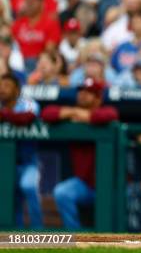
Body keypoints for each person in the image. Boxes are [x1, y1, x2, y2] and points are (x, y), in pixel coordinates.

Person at [42, 78, 118, 229]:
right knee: (62, 192)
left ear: (98, 98)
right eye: (81, 91)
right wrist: (73, 111)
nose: (82, 95)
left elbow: (108, 115)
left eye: (88, 92)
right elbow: (46, 114)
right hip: (84, 184)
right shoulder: (71, 114)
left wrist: (84, 116)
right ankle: (76, 237)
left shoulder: (107, 110)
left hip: (110, 183)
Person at [0, 73, 42, 229]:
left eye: (7, 86)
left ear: (17, 90)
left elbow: (27, 117)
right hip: (4, 164)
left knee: (28, 186)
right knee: (11, 199)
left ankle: (38, 233)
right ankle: (12, 238)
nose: (2, 89)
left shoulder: (27, 103)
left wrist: (4, 115)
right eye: (0, 85)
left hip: (28, 162)